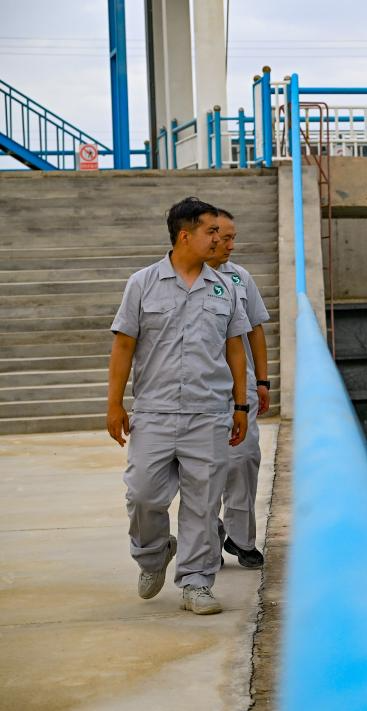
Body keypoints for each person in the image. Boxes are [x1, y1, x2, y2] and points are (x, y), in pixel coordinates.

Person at [107, 197, 251, 615]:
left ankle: (196, 582)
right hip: (154, 411)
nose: (218, 239)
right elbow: (123, 345)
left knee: (202, 504)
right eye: (210, 231)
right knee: (142, 495)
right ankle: (153, 554)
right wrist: (114, 404)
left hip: (209, 412)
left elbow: (235, 349)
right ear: (184, 235)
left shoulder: (225, 286)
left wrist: (240, 405)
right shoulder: (143, 283)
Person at [206, 208, 271, 569]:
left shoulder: (239, 277)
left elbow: (255, 331)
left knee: (244, 460)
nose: (232, 245)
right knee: (204, 467)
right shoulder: (183, 279)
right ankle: (209, 536)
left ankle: (241, 538)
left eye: (233, 237)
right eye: (225, 237)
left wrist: (262, 381)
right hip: (202, 389)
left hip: (239, 387)